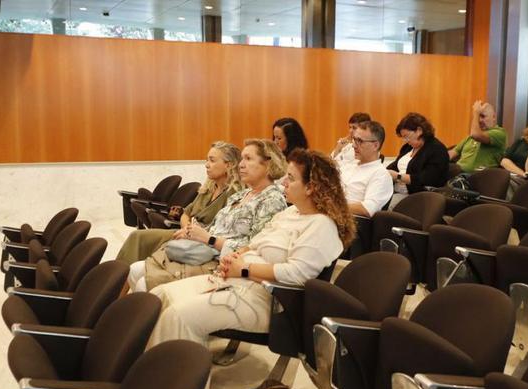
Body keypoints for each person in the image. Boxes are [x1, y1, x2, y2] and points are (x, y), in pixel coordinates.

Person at [147, 149, 354, 347]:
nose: (284, 182)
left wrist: (244, 269)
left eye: (291, 178)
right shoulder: (290, 214)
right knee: (158, 296)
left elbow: (296, 274)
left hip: (268, 300)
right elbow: (254, 244)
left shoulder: (321, 225)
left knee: (179, 317)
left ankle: (177, 381)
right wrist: (235, 257)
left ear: (311, 188)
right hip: (237, 281)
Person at [128, 139, 288, 292]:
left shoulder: (272, 200)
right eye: (242, 159)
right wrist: (191, 233)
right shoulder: (241, 195)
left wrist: (209, 239)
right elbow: (212, 227)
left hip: (220, 261)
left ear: (268, 165)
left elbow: (254, 248)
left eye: (248, 158)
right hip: (200, 251)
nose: (241, 164)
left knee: (143, 282)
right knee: (134, 270)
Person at [115, 142, 243, 264]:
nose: (206, 164)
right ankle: (118, 281)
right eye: (207, 160)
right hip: (186, 234)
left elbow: (223, 231)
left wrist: (190, 233)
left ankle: (118, 281)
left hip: (202, 243)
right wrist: (187, 229)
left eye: (212, 160)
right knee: (136, 237)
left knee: (139, 239)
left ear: (229, 165)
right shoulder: (208, 188)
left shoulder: (235, 195)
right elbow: (186, 213)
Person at [386, 112, 449, 205]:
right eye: (403, 138)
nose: (405, 141)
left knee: (379, 207)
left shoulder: (437, 150)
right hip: (395, 190)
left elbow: (426, 180)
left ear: (419, 131)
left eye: (406, 136)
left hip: (417, 197)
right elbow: (394, 166)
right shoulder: (408, 147)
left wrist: (398, 176)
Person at [341, 120, 394, 216]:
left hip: (352, 224)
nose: (353, 145)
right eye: (354, 139)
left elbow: (367, 209)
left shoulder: (381, 174)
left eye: (359, 141)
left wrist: (334, 206)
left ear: (375, 145)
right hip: (333, 216)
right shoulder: (349, 166)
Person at [449, 99, 507, 173]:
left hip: (477, 178)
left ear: (494, 117)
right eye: (478, 116)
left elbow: (475, 135)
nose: (479, 120)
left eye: (483, 116)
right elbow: (452, 153)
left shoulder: (500, 133)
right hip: (457, 173)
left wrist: (476, 113)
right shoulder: (470, 137)